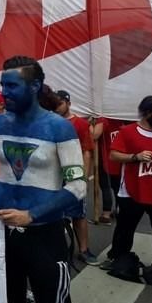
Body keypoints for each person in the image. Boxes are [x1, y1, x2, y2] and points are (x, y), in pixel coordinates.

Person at [0, 56, 85, 303]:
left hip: (46, 237)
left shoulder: (59, 128)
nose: (4, 93)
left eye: (12, 86)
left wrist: (31, 215)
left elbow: (77, 186)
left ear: (35, 86)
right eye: (2, 86)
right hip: (3, 237)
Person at [102, 96, 152, 271]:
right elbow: (113, 155)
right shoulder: (128, 131)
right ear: (148, 113)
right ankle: (117, 256)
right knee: (125, 227)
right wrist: (135, 157)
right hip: (132, 190)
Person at [54, 90, 99, 265]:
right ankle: (58, 249)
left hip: (73, 174)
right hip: (52, 176)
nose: (57, 108)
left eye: (60, 104)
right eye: (54, 104)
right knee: (55, 215)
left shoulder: (80, 124)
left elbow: (86, 151)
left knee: (78, 214)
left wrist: (83, 178)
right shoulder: (48, 123)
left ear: (68, 103)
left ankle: (84, 249)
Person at [92, 116, 131, 225]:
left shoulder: (104, 119)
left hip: (108, 159)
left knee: (106, 186)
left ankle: (106, 213)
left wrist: (91, 124)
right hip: (120, 158)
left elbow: (94, 135)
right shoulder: (124, 119)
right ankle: (120, 210)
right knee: (118, 186)